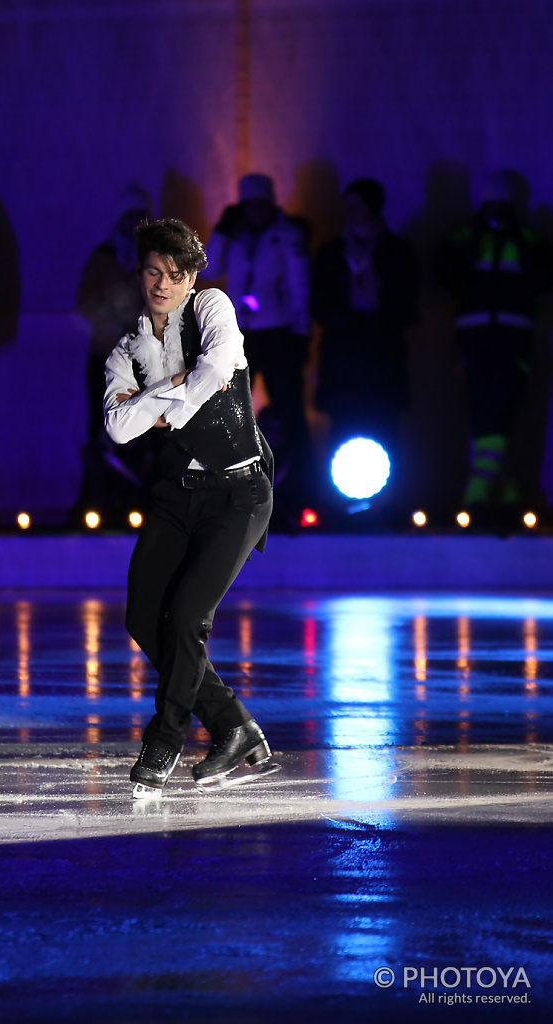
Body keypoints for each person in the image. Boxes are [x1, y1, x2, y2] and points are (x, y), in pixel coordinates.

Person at [104, 218, 275, 798]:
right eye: (153, 272)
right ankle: (233, 726)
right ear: (141, 273)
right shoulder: (127, 350)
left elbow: (217, 369)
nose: (163, 285)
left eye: (174, 276)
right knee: (142, 616)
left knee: (186, 616)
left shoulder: (213, 308)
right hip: (177, 494)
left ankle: (166, 737)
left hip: (238, 492)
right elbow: (120, 427)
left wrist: (161, 402)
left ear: (190, 278)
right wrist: (175, 385)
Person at [435, 170, 552, 527]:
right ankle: (501, 488)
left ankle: (485, 488)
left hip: (513, 336)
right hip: (473, 337)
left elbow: (543, 277)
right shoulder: (465, 237)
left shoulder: (528, 239)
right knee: (481, 410)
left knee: (503, 410)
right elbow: (445, 274)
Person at [203, 173, 313, 526]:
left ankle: (298, 492)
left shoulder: (287, 235)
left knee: (289, 412)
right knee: (231, 415)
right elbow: (211, 268)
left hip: (278, 331)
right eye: (247, 205)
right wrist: (222, 228)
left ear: (270, 203)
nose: (254, 212)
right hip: (239, 335)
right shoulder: (234, 236)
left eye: (259, 205)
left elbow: (300, 283)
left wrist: (300, 330)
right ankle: (228, 494)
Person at [311, 178, 418, 517]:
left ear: (372, 207)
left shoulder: (397, 252)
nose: (348, 213)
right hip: (344, 361)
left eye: (355, 205)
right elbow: (319, 305)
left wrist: (376, 314)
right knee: (343, 428)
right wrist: (348, 319)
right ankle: (342, 507)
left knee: (384, 427)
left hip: (381, 360)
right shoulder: (331, 253)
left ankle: (387, 507)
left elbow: (408, 307)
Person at [72, 185, 152, 523]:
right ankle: (98, 497)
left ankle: (141, 498)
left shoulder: (157, 259)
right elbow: (86, 302)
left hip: (146, 363)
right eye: (128, 217)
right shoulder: (103, 258)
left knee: (146, 429)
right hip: (106, 358)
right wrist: (115, 327)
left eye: (139, 217)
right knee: (103, 427)